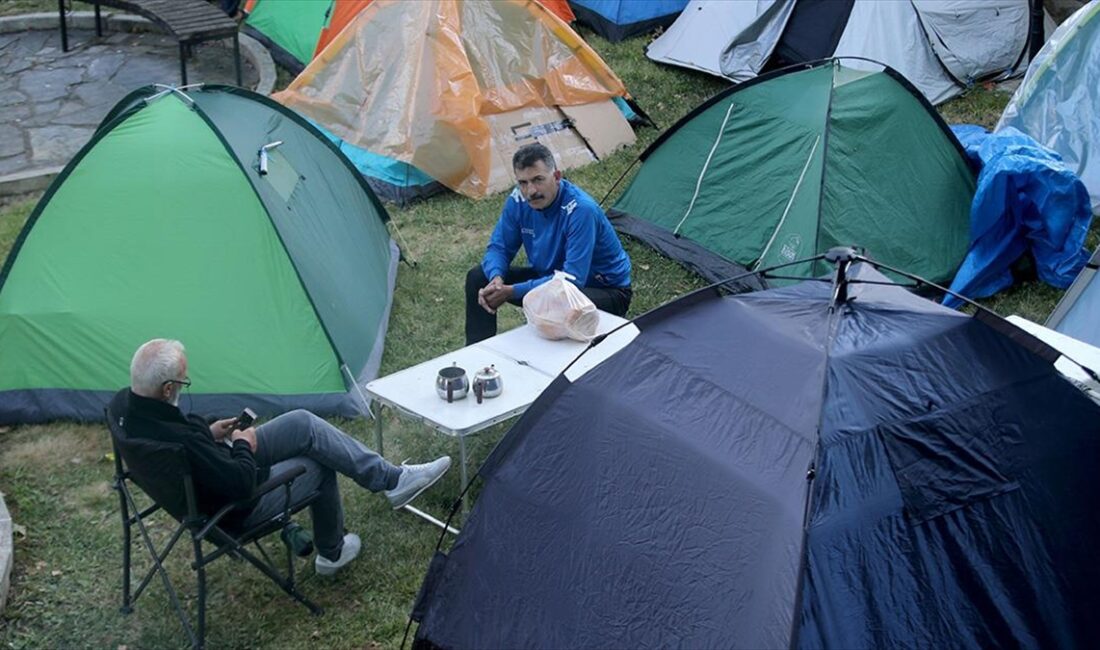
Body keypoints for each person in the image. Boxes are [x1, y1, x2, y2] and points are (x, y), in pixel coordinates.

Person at [111, 339, 451, 576]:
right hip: (233, 508)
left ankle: (392, 480)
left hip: (210, 473)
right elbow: (241, 485)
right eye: (183, 381)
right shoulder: (182, 442)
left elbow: (184, 434)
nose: (186, 385)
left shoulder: (125, 408)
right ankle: (332, 553)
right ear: (167, 389)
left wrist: (210, 431)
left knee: (303, 424)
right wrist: (242, 444)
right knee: (318, 463)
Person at [465, 143, 633, 344]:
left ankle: (557, 367)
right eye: (523, 183)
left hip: (603, 290)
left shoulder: (580, 210)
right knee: (479, 277)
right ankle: (476, 353)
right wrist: (496, 278)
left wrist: (512, 291)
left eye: (538, 180)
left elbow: (572, 280)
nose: (531, 191)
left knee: (558, 306)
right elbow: (499, 247)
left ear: (557, 176)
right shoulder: (518, 201)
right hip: (550, 278)